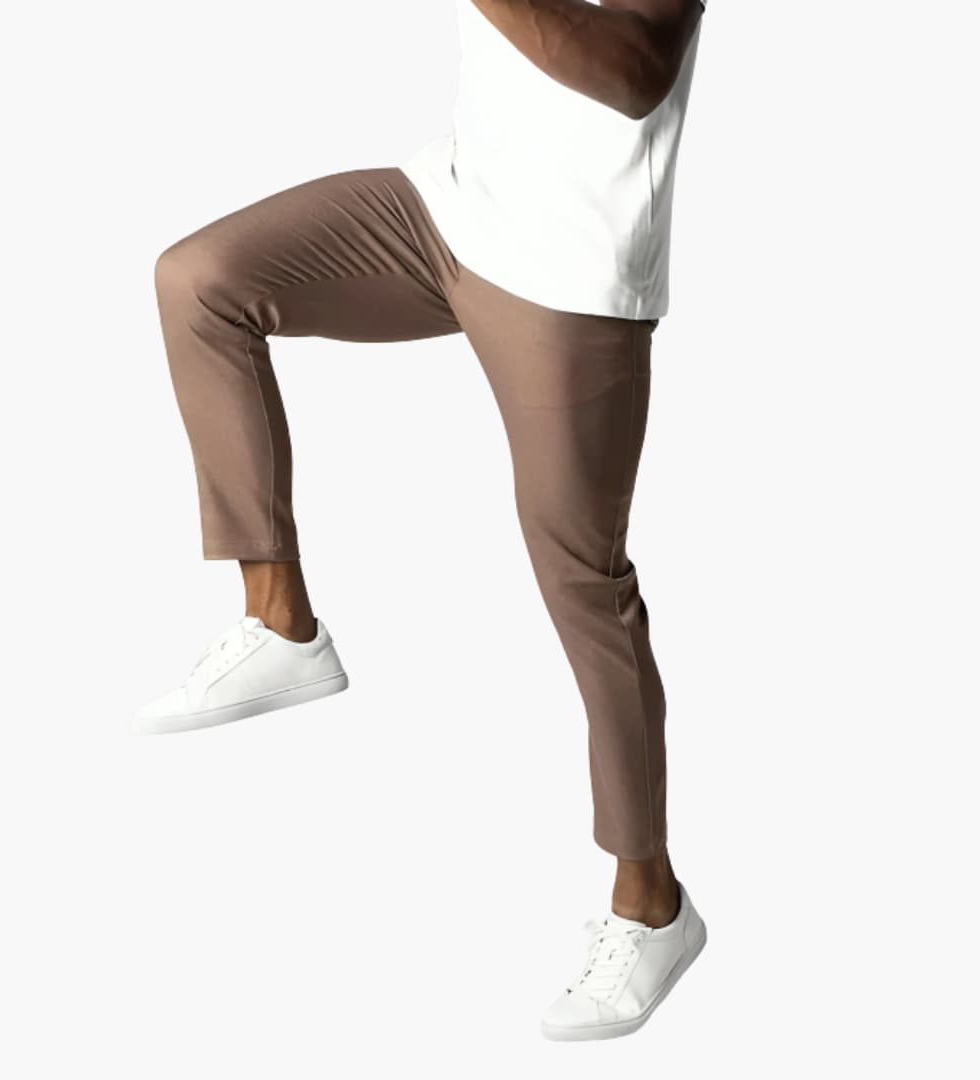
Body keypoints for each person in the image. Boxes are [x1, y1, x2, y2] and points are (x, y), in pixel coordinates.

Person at [135, 0, 709, 1041]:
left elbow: (635, 72)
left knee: (583, 582)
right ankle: (281, 622)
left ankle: (652, 905)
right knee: (202, 282)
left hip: (571, 281)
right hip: (445, 210)